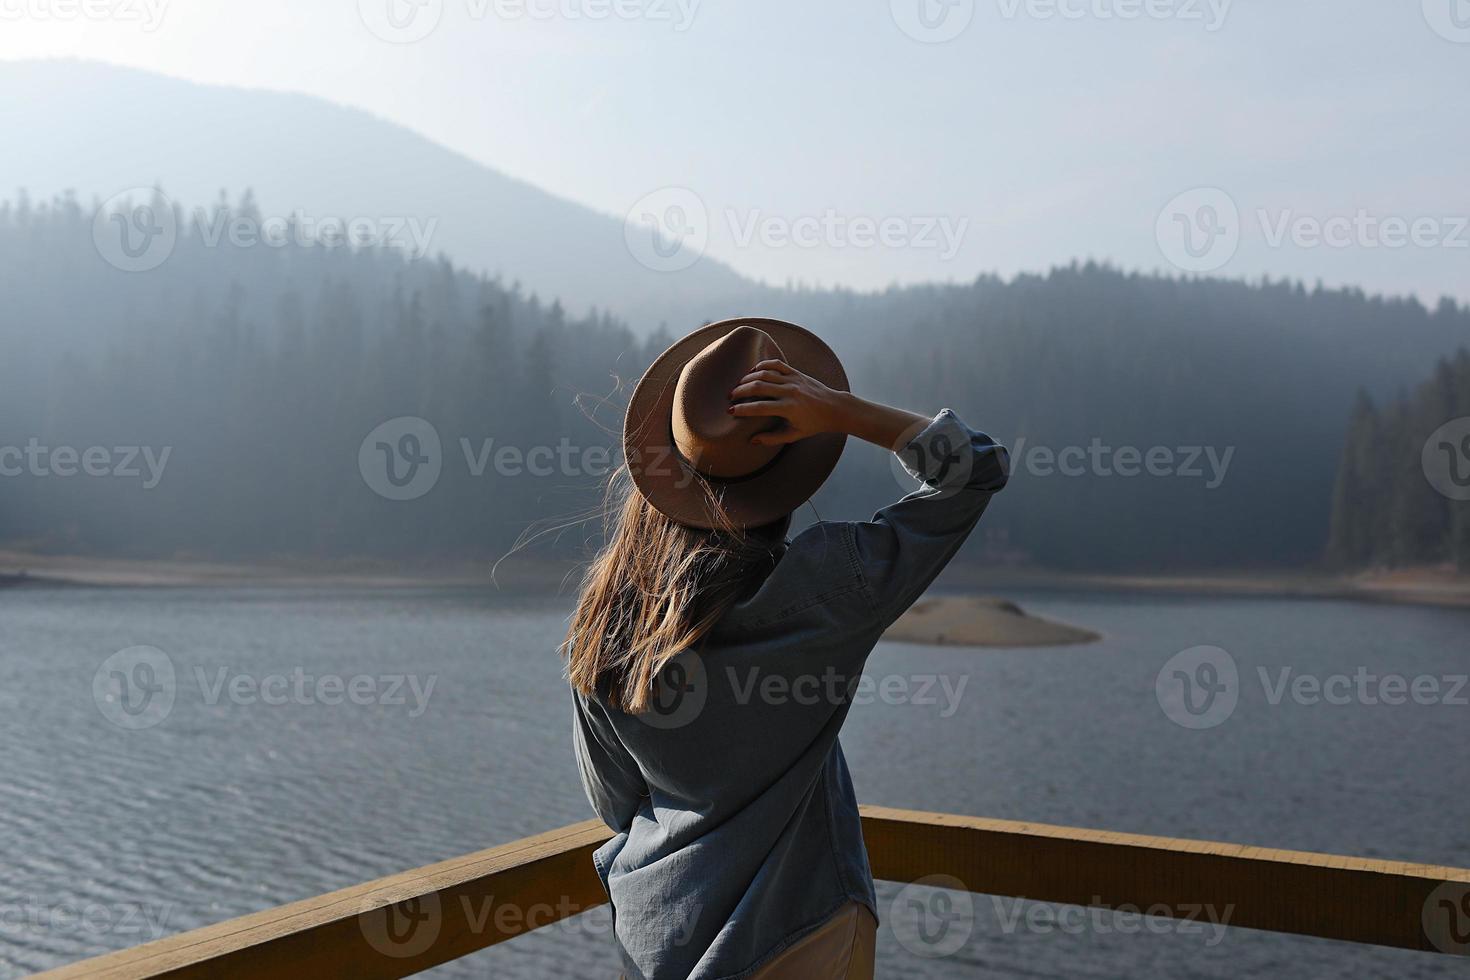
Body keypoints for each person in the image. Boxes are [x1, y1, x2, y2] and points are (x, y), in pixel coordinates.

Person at [565, 317, 1010, 978]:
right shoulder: (829, 586)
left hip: (656, 936)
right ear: (789, 473)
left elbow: (614, 803)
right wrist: (844, 412)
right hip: (797, 939)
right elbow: (974, 469)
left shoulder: (608, 618)